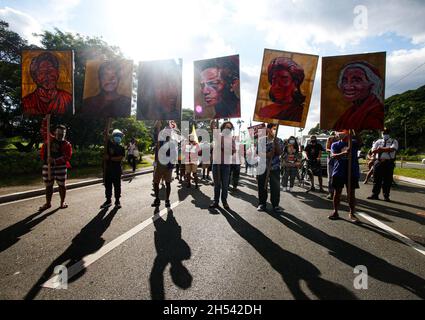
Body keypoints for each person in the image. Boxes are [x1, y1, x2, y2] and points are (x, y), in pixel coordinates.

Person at [333, 61, 384, 131]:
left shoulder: (375, 113)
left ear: (372, 85)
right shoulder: (351, 111)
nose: (348, 86)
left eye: (356, 81)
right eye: (345, 80)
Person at [258, 57, 306, 122]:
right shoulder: (264, 111)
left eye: (284, 79)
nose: (277, 86)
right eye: (274, 80)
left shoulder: (299, 113)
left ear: (295, 83)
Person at [328, 130, 361, 222]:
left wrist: (354, 130)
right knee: (337, 192)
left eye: (342, 131)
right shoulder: (335, 144)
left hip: (352, 171)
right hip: (339, 171)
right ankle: (335, 211)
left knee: (351, 193)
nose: (339, 134)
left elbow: (360, 142)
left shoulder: (353, 143)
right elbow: (333, 155)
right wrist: (343, 153)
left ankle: (352, 213)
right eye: (338, 132)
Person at [39, 123, 72, 211]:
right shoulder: (49, 139)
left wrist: (54, 161)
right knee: (48, 185)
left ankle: (62, 202)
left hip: (60, 167)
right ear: (55, 132)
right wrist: (46, 118)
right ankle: (48, 203)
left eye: (62, 134)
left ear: (65, 134)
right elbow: (43, 130)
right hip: (47, 165)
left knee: (61, 185)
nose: (60, 135)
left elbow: (67, 157)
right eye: (59, 133)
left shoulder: (67, 144)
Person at [257, 123, 284, 213]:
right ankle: (262, 204)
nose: (275, 130)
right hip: (263, 167)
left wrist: (275, 143)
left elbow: (280, 152)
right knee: (262, 186)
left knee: (275, 187)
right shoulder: (261, 140)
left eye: (276, 129)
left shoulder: (279, 140)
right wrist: (267, 155)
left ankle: (275, 205)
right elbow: (259, 153)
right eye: (273, 128)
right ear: (268, 129)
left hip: (275, 167)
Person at [209, 121, 236, 209]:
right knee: (217, 184)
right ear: (222, 127)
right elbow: (212, 127)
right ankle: (216, 201)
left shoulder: (231, 139)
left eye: (229, 128)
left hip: (226, 165)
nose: (228, 129)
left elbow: (232, 152)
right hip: (216, 164)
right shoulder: (218, 136)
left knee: (225, 185)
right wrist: (213, 119)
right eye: (226, 127)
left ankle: (224, 201)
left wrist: (224, 147)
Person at [367, 128, 398, 202]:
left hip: (389, 162)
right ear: (381, 133)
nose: (385, 134)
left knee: (387, 180)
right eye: (383, 132)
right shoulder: (378, 141)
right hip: (378, 162)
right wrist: (386, 149)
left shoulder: (394, 141)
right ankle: (375, 194)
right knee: (376, 179)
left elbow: (393, 149)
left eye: (386, 132)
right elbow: (373, 150)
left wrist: (380, 149)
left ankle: (386, 196)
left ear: (389, 133)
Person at [152, 128, 177, 208]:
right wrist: (155, 163)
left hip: (167, 166)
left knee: (167, 183)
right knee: (156, 182)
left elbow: (174, 156)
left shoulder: (172, 144)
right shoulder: (159, 143)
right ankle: (157, 199)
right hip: (159, 165)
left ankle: (167, 200)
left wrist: (171, 165)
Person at [101, 129, 125, 209]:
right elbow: (106, 137)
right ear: (113, 137)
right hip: (108, 169)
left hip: (117, 170)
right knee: (108, 186)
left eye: (119, 136)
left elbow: (120, 158)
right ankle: (108, 201)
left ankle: (117, 201)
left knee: (117, 186)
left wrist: (109, 158)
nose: (118, 137)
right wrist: (105, 133)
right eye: (116, 136)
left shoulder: (121, 148)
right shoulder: (109, 144)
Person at [326, 132, 338, 199]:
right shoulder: (330, 139)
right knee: (330, 177)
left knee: (338, 177)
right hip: (331, 159)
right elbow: (327, 148)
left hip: (339, 159)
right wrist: (333, 150)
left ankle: (337, 193)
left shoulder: (342, 138)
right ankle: (331, 192)